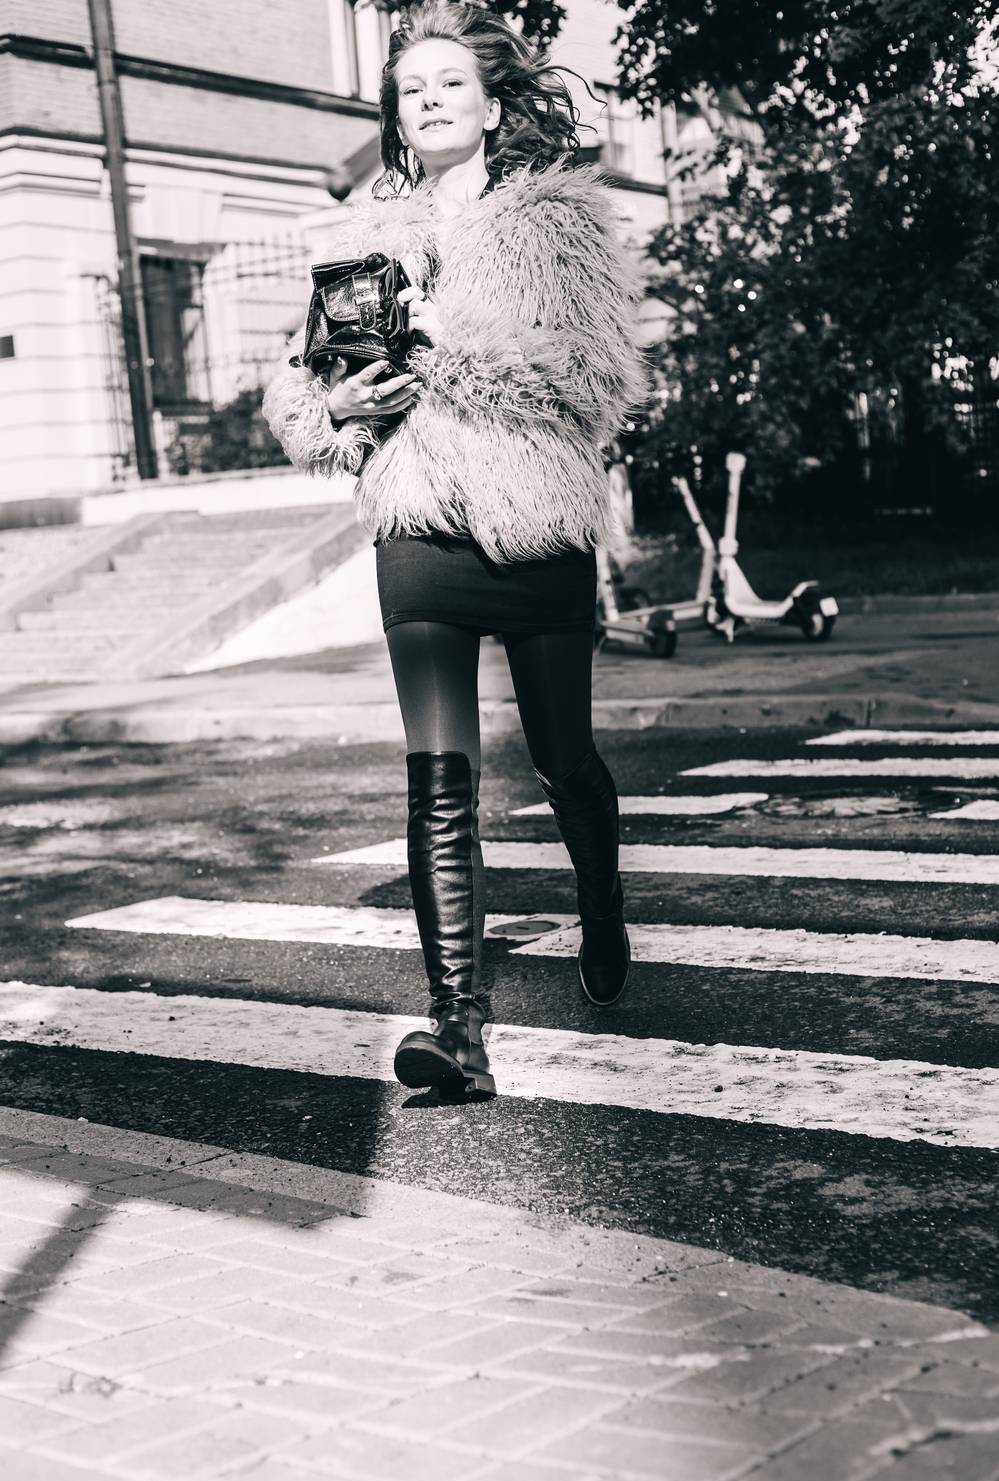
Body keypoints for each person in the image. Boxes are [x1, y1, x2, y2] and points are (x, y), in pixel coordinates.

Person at [263, 0, 648, 1102]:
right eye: (409, 90)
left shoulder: (555, 223)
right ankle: (457, 1027)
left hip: (533, 527)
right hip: (417, 527)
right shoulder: (358, 238)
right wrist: (340, 407)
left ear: (488, 105)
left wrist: (443, 347)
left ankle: (602, 907)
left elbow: (594, 382)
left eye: (448, 84)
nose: (428, 101)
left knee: (564, 761)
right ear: (395, 118)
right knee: (439, 782)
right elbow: (292, 389)